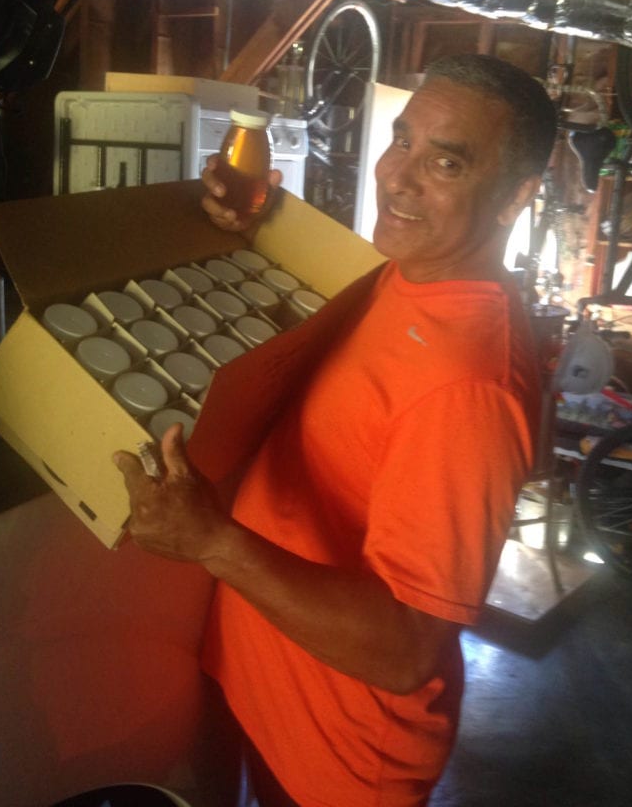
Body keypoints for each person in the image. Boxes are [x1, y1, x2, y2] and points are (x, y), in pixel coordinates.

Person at [114, 54, 558, 807]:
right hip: (262, 674)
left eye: (445, 163)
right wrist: (253, 222)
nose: (398, 177)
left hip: (338, 756)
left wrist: (214, 542)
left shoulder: (469, 388)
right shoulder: (414, 275)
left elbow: (406, 648)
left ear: (516, 197)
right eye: (403, 140)